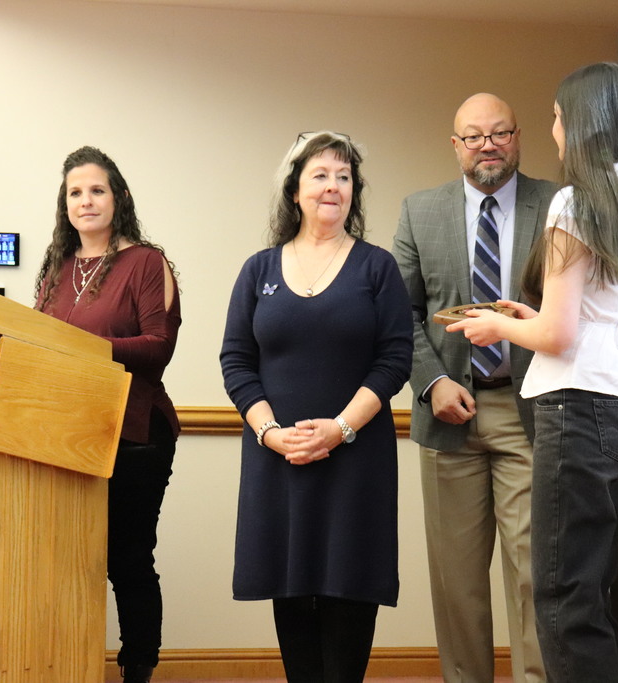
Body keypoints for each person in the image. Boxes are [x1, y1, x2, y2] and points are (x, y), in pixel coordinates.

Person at [446, 63, 618, 683]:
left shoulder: (574, 201)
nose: (552, 129)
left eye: (555, 116)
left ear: (581, 122)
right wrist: (543, 317)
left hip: (573, 407)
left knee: (559, 596)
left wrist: (499, 326)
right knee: (589, 592)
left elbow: (557, 336)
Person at [220, 131, 413, 683]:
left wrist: (341, 429)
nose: (333, 186)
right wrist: (270, 433)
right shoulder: (259, 270)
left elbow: (394, 359)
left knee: (348, 599)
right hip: (278, 461)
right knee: (293, 599)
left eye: (344, 176)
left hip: (355, 462)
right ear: (294, 188)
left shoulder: (377, 268)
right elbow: (236, 360)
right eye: (320, 175)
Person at [392, 94, 555, 683]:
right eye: (474, 136)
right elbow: (400, 314)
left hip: (529, 407)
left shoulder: (556, 205)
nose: (488, 144)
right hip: (448, 413)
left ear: (518, 137)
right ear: (455, 146)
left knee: (534, 570)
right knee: (456, 579)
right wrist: (432, 381)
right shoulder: (420, 211)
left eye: (500, 132)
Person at [34, 146, 181, 683]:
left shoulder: (145, 261)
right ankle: (66, 663)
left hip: (134, 432)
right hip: (64, 430)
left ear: (117, 197)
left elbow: (157, 346)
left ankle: (136, 668)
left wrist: (83, 345)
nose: (85, 201)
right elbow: (36, 341)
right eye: (75, 192)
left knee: (127, 561)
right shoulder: (57, 270)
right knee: (68, 559)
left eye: (96, 190)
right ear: (64, 204)